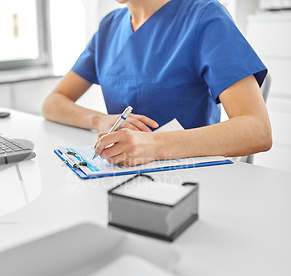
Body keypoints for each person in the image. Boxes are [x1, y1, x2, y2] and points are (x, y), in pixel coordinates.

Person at [42, 0, 272, 166]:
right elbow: (53, 103)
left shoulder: (206, 16)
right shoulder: (109, 27)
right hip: (122, 173)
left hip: (192, 176)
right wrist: (101, 120)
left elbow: (257, 130)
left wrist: (155, 145)